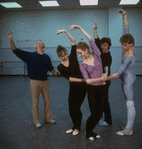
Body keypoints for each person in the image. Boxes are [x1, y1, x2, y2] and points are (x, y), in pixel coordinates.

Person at [6, 30, 58, 128]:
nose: (44, 48)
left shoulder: (46, 57)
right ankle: (36, 121)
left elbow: (50, 68)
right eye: (42, 47)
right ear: (36, 48)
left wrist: (54, 72)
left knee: (48, 100)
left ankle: (48, 118)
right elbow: (15, 50)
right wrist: (11, 39)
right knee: (35, 102)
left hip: (45, 82)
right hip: (34, 82)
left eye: (44, 47)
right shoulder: (29, 56)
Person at [69, 25, 107, 141]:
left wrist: (80, 28)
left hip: (102, 89)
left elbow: (90, 38)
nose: (80, 56)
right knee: (94, 114)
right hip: (92, 90)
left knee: (100, 115)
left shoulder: (97, 55)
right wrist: (101, 78)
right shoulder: (82, 65)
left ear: (86, 50)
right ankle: (88, 132)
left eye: (80, 53)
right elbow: (88, 80)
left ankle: (90, 131)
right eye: (78, 54)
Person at [102, 9, 136, 136]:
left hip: (127, 80)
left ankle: (128, 130)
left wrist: (104, 79)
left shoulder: (128, 58)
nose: (123, 47)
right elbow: (126, 28)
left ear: (131, 44)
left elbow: (116, 74)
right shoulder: (129, 43)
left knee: (129, 103)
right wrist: (125, 15)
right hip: (127, 77)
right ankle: (129, 127)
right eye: (122, 45)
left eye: (125, 46)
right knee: (129, 102)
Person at [55, 29, 87, 136]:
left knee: (77, 107)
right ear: (59, 56)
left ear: (67, 53)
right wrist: (83, 79)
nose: (65, 57)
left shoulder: (73, 57)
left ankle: (78, 127)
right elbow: (70, 78)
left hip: (82, 87)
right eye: (62, 56)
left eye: (65, 54)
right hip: (73, 86)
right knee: (71, 108)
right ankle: (74, 126)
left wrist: (64, 31)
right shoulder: (60, 67)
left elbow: (73, 41)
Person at [93, 23, 112, 126]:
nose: (103, 47)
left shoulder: (108, 56)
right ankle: (104, 118)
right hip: (100, 81)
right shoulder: (101, 52)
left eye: (105, 45)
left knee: (104, 101)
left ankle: (108, 120)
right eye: (102, 45)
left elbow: (107, 67)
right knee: (101, 100)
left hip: (105, 82)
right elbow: (96, 40)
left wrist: (105, 77)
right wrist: (95, 29)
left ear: (108, 45)